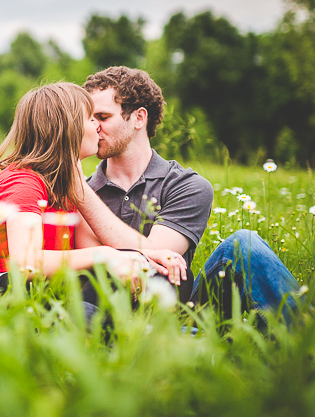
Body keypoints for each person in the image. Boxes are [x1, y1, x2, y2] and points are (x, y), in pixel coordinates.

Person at [76, 66, 301, 323]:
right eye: (89, 119)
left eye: (102, 117)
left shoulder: (187, 185)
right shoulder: (81, 189)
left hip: (179, 317)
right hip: (104, 317)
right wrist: (79, 189)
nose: (93, 128)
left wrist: (81, 193)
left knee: (244, 245)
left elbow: (155, 264)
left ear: (139, 118)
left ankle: (310, 344)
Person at [0, 82, 186, 315]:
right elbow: (25, 263)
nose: (98, 126)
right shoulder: (24, 181)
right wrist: (106, 255)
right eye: (91, 119)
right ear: (67, 128)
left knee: (121, 271)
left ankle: (108, 330)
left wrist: (144, 254)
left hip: (34, 295)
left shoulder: (66, 188)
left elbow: (93, 248)